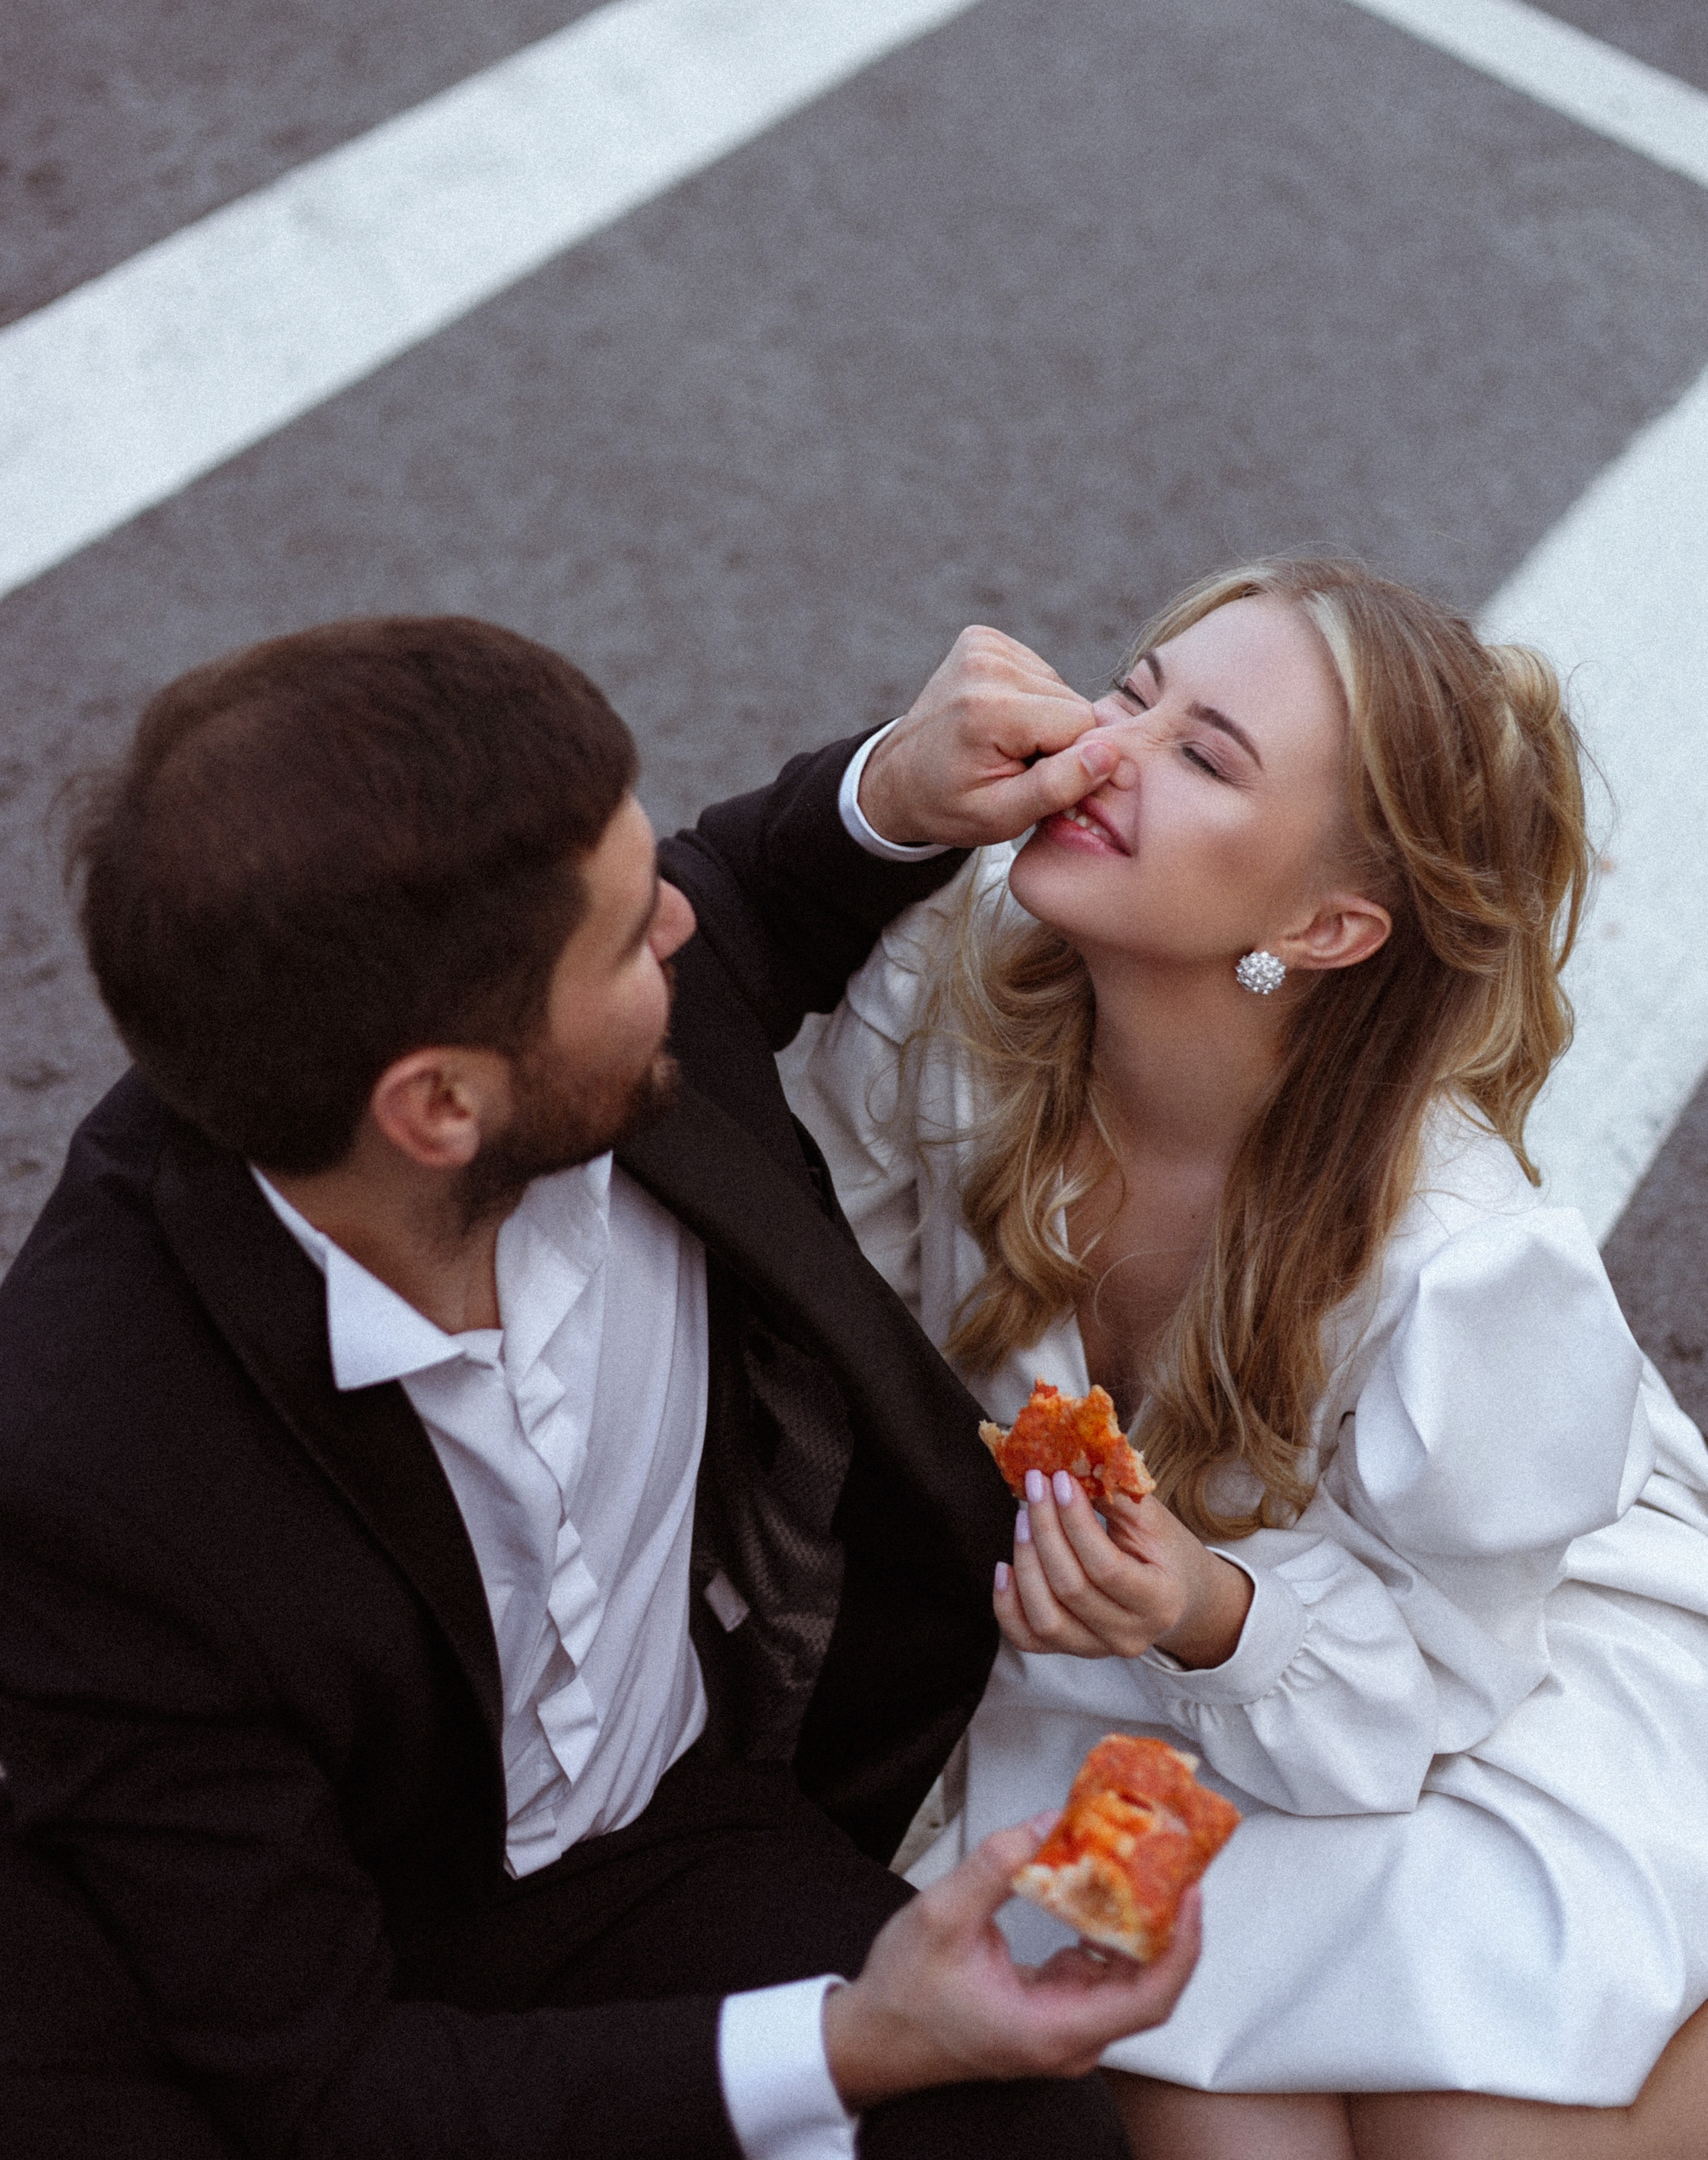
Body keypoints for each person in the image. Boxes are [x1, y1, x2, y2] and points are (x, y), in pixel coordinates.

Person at [0, 613, 1204, 2160]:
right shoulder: (93, 1484)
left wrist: (889, 794)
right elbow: (325, 2089)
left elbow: (748, 888)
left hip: (666, 1847)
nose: (680, 931)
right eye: (629, 934)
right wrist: (851, 2042)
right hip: (344, 1959)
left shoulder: (546, 1037)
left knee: (1031, 2143)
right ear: (441, 1105)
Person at [783, 558, 1708, 2159]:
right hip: (1111, 1683)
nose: (1109, 751)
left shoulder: (1469, 1270)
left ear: (1324, 924)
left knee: (1473, 2136)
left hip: (1482, 1656)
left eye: (1204, 757)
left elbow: (1441, 1659)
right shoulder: (956, 980)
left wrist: (1204, 1606)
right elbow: (776, 1209)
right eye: (1131, 693)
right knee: (1225, 2140)